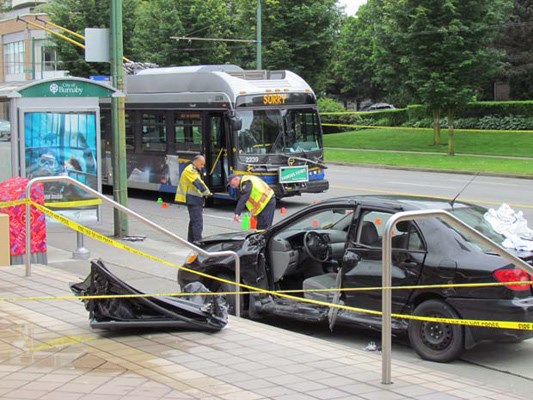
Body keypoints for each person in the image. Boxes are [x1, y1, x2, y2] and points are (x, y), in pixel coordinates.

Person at [175, 155, 211, 242]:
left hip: (195, 199)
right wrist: (208, 193)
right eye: (201, 164)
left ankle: (191, 241)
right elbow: (198, 183)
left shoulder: (194, 169)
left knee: (193, 221)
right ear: (196, 162)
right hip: (193, 199)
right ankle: (198, 242)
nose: (202, 166)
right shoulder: (190, 170)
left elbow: (200, 181)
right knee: (197, 222)